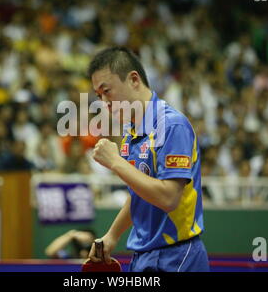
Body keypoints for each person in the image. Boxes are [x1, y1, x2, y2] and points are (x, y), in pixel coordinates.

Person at [87, 47, 209, 272]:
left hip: (177, 257)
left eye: (107, 91)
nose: (104, 102)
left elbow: (168, 197)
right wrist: (112, 235)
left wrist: (116, 162)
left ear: (133, 80)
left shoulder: (172, 125)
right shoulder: (131, 134)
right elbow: (140, 194)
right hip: (143, 256)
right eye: (98, 95)